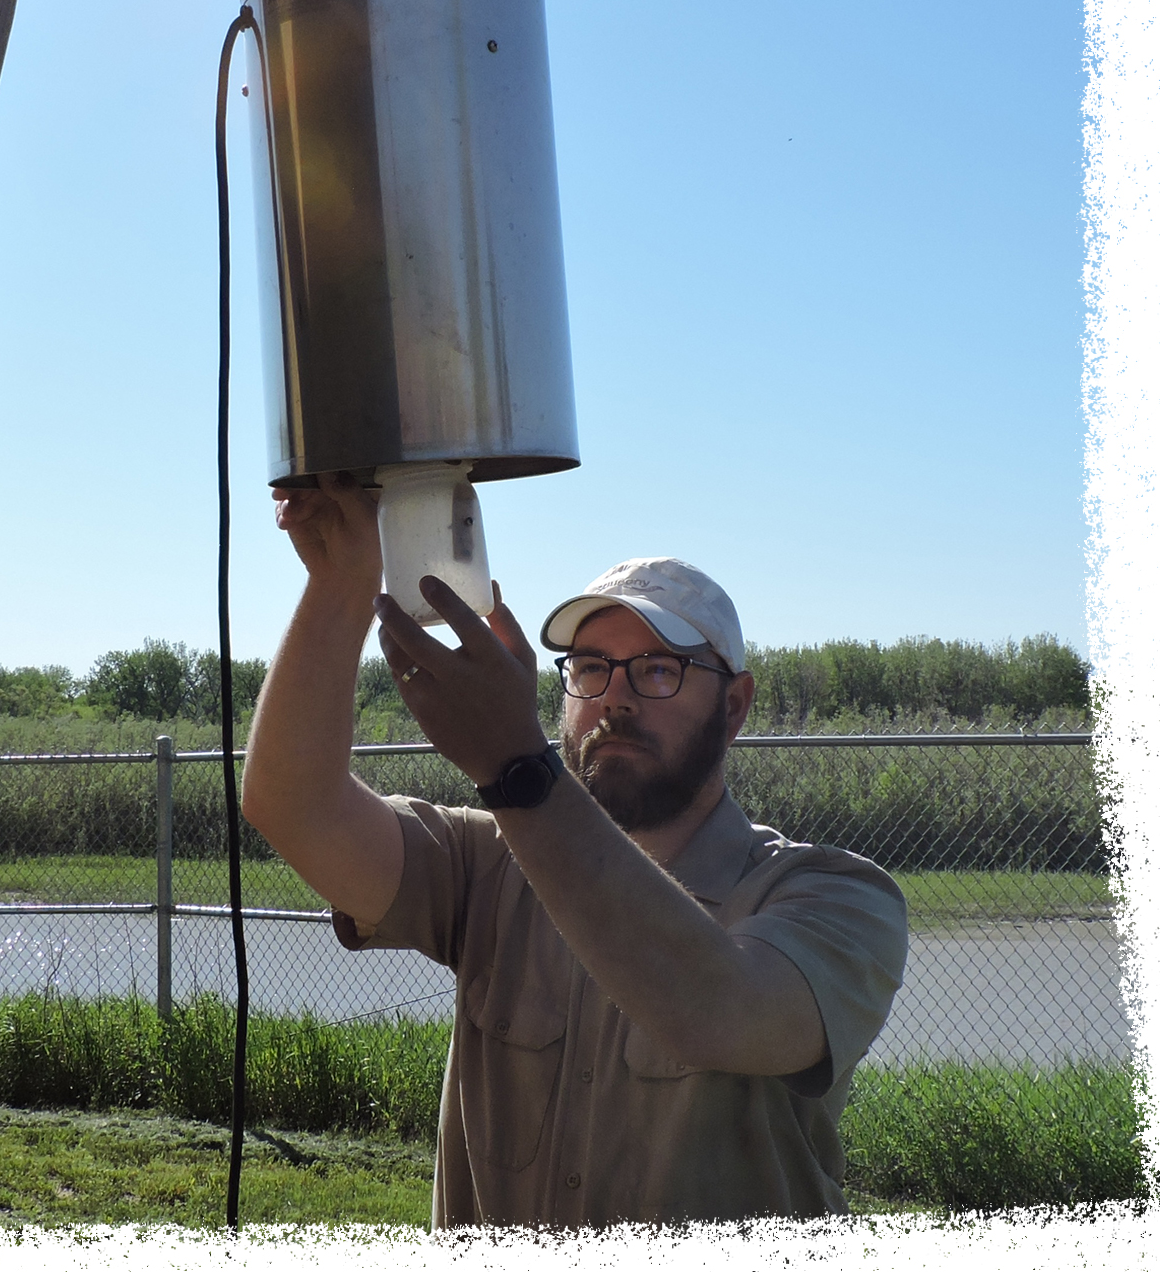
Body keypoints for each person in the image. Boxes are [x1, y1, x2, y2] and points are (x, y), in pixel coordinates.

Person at [241, 472, 909, 1230]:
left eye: (659, 667)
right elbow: (296, 808)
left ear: (734, 705)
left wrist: (516, 767)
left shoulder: (834, 897)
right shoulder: (489, 859)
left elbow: (720, 1008)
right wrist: (342, 580)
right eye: (591, 667)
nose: (614, 697)